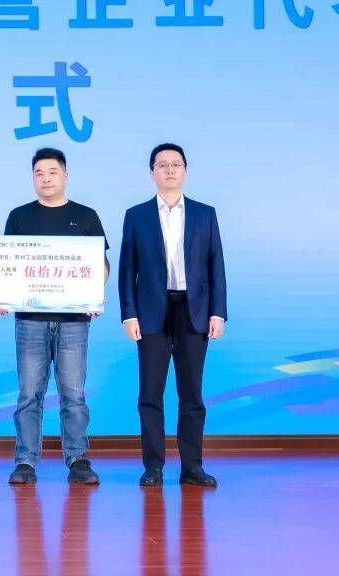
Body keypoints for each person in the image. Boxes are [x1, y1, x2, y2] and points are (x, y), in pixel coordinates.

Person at [0, 148, 109, 486]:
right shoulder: (19, 216)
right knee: (29, 393)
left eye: (52, 172)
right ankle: (25, 461)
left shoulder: (86, 216)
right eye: (39, 173)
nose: (45, 178)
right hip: (30, 319)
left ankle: (78, 459)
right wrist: (2, 295)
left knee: (73, 393)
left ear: (65, 176)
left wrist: (93, 293)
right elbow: (8, 265)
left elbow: (101, 265)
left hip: (74, 321)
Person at [118, 143, 227, 488]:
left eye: (175, 164)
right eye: (162, 164)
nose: (169, 170)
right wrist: (128, 314)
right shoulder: (136, 215)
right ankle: (153, 467)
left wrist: (218, 312)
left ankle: (192, 467)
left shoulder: (204, 214)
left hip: (194, 311)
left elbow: (216, 264)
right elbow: (127, 268)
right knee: (150, 394)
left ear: (185, 171)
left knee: (191, 394)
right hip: (151, 312)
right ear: (152, 172)